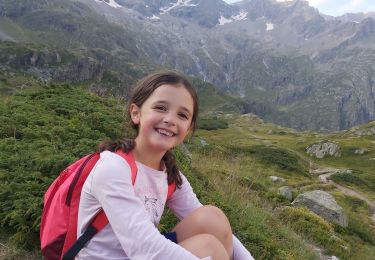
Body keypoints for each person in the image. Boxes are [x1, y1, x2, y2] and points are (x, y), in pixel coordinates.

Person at [77, 71, 254, 260]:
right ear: (136, 113)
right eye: (161, 108)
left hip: (140, 254)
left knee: (213, 218)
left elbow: (213, 225)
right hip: (131, 254)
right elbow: (144, 249)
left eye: (182, 115)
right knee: (208, 249)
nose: (170, 119)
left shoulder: (168, 174)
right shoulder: (113, 168)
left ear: (189, 128)